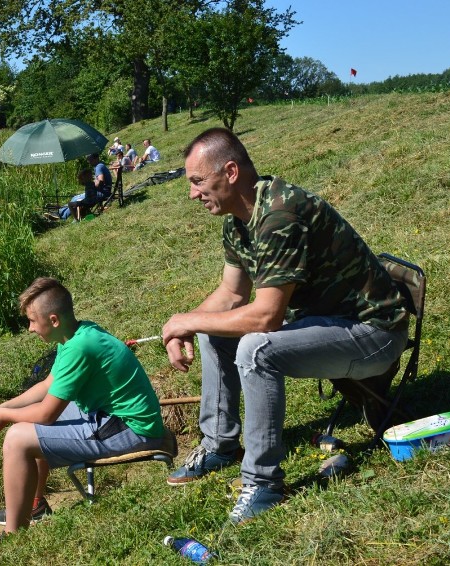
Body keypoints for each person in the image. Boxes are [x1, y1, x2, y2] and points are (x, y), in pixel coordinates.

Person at [161, 127, 408, 524]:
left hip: (374, 334)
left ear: (230, 172)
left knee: (255, 349)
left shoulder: (279, 214)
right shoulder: (238, 221)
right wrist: (183, 326)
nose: (193, 193)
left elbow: (266, 317)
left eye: (198, 181)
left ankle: (262, 485)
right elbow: (230, 293)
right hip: (326, 326)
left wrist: (186, 320)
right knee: (213, 330)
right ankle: (220, 444)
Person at [0, 277, 165, 534]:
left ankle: (13, 535)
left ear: (53, 320)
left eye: (32, 321)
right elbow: (46, 386)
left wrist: (4, 416)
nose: (30, 328)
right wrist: (0, 407)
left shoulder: (79, 348)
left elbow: (46, 414)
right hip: (110, 417)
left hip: (132, 429)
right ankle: (34, 505)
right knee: (23, 424)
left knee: (17, 438)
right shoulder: (76, 334)